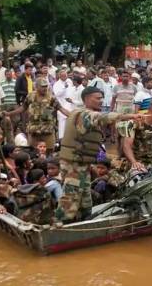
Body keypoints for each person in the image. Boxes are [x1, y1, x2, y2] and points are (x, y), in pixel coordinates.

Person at [54, 86, 140, 223]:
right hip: (74, 164)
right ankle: (59, 227)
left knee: (85, 199)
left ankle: (83, 222)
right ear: (87, 99)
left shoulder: (84, 113)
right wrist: (130, 116)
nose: (101, 101)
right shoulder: (85, 114)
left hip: (82, 164)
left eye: (102, 98)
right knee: (71, 197)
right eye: (98, 98)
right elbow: (103, 117)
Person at [7, 77, 68, 155]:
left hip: (47, 130)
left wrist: (72, 115)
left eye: (46, 86)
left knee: (50, 151)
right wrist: (10, 113)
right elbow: (23, 108)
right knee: (32, 151)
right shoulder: (30, 96)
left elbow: (61, 109)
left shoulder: (51, 98)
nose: (45, 88)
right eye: (42, 86)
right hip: (34, 131)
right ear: (36, 87)